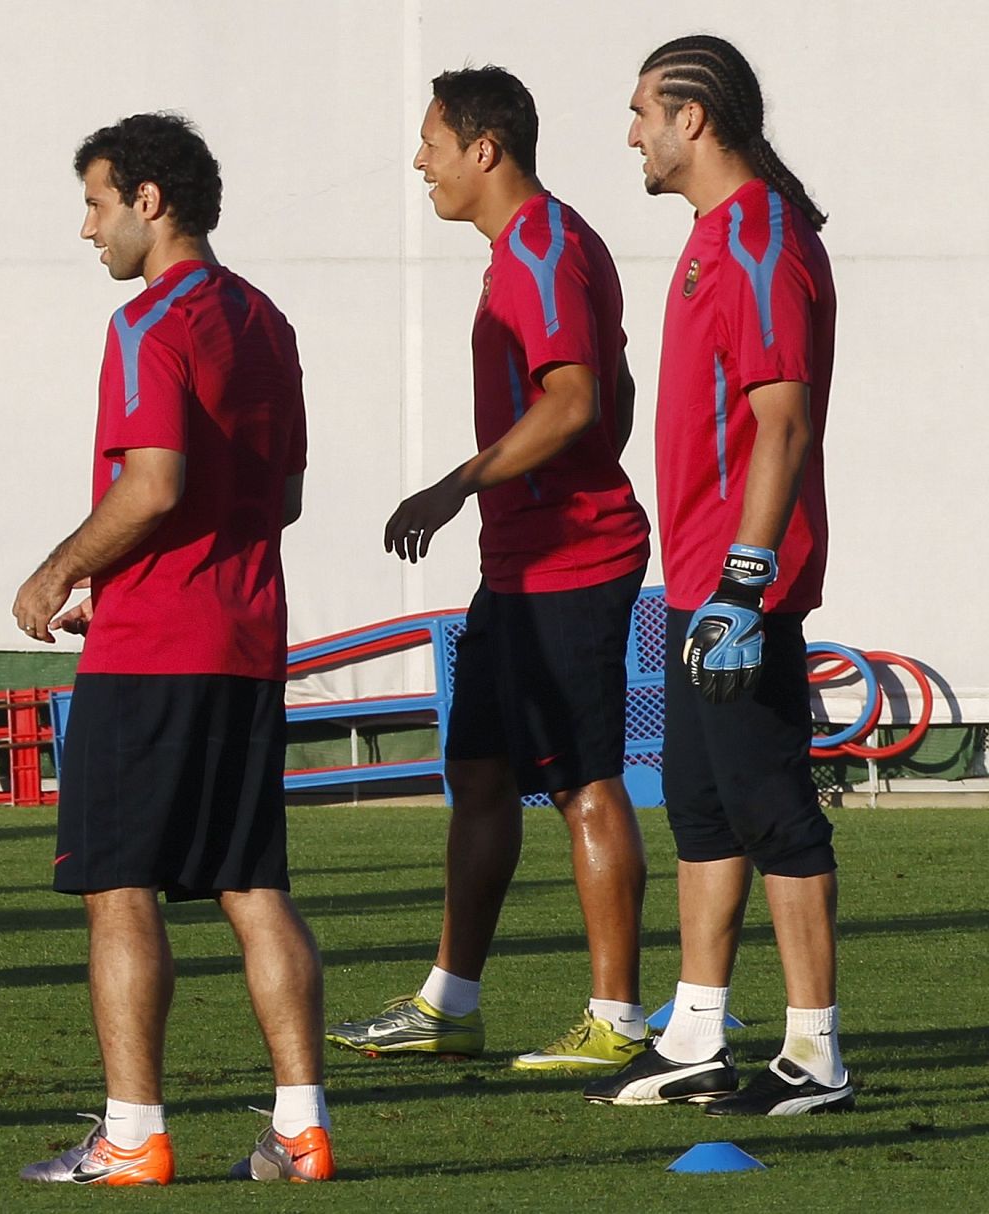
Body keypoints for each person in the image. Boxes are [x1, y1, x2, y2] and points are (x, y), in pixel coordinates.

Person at [12, 112, 331, 1185]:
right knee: (251, 884)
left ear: (149, 202)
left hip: (152, 652)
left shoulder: (149, 322)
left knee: (119, 886)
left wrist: (61, 571)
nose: (88, 228)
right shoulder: (265, 320)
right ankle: (302, 1128)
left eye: (96, 203)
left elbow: (152, 485)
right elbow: (282, 495)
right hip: (243, 639)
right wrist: (129, 577)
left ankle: (133, 1133)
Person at [327, 67, 653, 1076]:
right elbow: (615, 384)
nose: (418, 161)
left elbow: (576, 398)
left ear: (484, 148)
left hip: (571, 562)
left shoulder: (542, 249)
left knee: (584, 783)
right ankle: (449, 1004)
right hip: (518, 565)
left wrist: (456, 484)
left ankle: (617, 1019)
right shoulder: (529, 248)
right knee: (478, 773)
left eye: (431, 143)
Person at [584, 34, 850, 1115]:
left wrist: (744, 582)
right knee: (698, 807)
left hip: (743, 588)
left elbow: (781, 422)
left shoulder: (760, 239)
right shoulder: (713, 236)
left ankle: (815, 1055)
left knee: (772, 808)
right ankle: (695, 1035)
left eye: (641, 111)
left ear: (690, 117)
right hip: (698, 580)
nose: (631, 134)